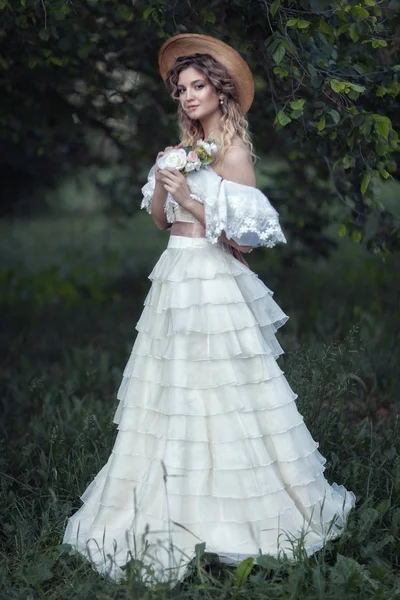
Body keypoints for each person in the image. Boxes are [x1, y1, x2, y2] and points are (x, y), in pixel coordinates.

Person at [62, 33, 355, 586]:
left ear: (221, 94)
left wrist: (194, 195)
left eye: (198, 87)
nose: (188, 96)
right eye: (180, 89)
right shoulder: (180, 151)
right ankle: (164, 490)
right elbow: (159, 220)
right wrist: (162, 182)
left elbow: (243, 235)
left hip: (211, 275)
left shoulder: (234, 152)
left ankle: (233, 504)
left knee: (221, 384)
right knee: (171, 383)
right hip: (173, 272)